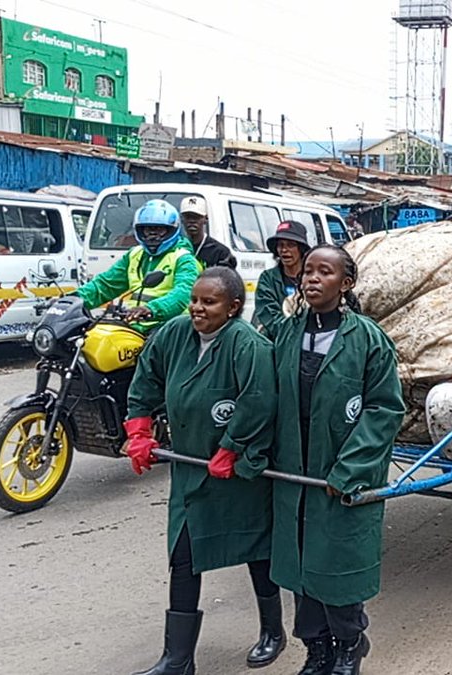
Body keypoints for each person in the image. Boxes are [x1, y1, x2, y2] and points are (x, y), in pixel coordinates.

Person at [123, 266, 282, 673]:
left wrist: (232, 447)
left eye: (208, 302)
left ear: (232, 307)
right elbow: (146, 380)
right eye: (195, 299)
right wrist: (140, 429)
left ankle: (272, 632)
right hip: (192, 470)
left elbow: (259, 401)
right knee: (183, 555)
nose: (197, 308)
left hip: (239, 473)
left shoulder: (248, 346)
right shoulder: (175, 334)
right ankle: (177, 659)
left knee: (255, 551)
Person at [269, 245, 405, 675]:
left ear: (345, 284)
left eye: (324, 272)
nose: (311, 278)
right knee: (301, 562)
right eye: (307, 271)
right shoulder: (287, 333)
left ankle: (349, 644)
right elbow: (266, 398)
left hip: (342, 473)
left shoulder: (367, 339)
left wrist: (349, 470)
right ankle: (317, 649)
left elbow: (384, 410)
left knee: (338, 564)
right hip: (295, 469)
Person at [76, 199, 200, 333]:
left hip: (169, 329)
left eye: (159, 229)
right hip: (134, 326)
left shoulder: (184, 259)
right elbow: (105, 285)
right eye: (148, 229)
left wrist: (151, 309)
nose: (153, 235)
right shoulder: (134, 254)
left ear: (171, 230)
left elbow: (182, 293)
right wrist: (74, 299)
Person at [253, 220, 311, 338]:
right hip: (275, 340)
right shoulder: (268, 278)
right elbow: (268, 314)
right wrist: (293, 334)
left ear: (301, 249)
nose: (284, 250)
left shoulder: (312, 279)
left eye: (290, 245)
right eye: (281, 245)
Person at [180, 196, 236, 271]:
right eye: (188, 217)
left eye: (196, 217)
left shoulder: (220, 252)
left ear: (206, 219)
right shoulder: (177, 248)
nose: (192, 221)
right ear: (182, 219)